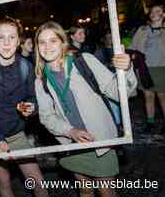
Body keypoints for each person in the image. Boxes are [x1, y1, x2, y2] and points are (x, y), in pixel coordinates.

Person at [34, 21, 137, 197]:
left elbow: (118, 92)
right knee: (85, 190)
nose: (47, 46)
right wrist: (70, 131)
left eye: (53, 40)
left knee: (107, 192)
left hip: (100, 141)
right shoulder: (40, 79)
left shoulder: (84, 61)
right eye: (42, 42)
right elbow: (46, 116)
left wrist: (125, 70)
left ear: (63, 42)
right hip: (72, 144)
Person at [0, 16, 48, 197]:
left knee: (38, 182)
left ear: (19, 41)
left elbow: (33, 97)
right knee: (4, 182)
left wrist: (31, 107)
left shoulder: (25, 66)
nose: (6, 42)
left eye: (12, 37)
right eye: (1, 37)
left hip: (16, 132)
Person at [130, 4, 165, 134]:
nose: (154, 13)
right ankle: (150, 123)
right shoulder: (142, 29)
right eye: (152, 11)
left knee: (162, 97)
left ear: (163, 14)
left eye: (158, 11)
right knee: (148, 96)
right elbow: (133, 46)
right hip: (145, 68)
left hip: (162, 68)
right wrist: (132, 54)